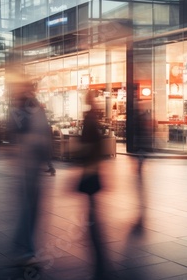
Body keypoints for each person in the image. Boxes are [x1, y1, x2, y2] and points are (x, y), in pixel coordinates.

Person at [8, 78, 53, 266]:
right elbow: (39, 131)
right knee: (29, 206)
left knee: (31, 206)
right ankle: (24, 248)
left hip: (29, 161)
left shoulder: (21, 106)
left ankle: (24, 247)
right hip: (29, 161)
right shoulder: (26, 106)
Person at [77, 90, 110, 279]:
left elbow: (88, 143)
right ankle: (92, 217)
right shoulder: (91, 118)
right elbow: (92, 143)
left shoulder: (89, 118)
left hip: (91, 164)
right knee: (91, 194)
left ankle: (91, 217)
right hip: (92, 164)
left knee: (90, 194)